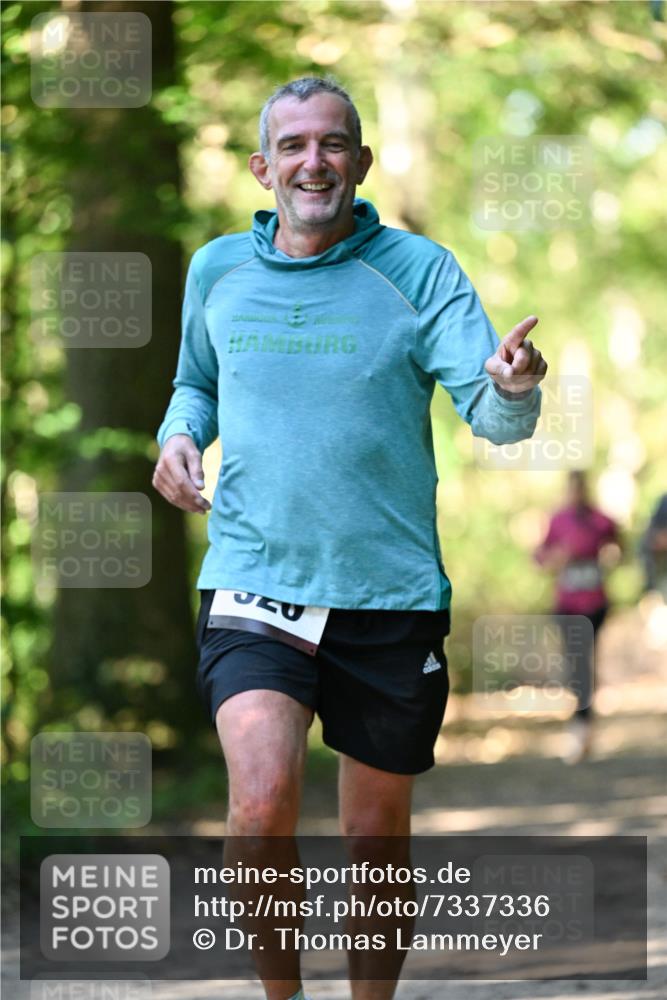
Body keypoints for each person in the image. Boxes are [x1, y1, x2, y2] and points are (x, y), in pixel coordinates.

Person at [153, 76, 547, 1000]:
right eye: (291, 146)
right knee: (256, 808)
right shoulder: (216, 269)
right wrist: (178, 435)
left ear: (360, 163)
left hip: (388, 592)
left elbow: (492, 417)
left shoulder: (418, 271)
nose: (312, 161)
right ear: (262, 167)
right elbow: (195, 382)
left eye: (331, 144)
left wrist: (516, 383)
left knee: (374, 838)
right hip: (254, 580)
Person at [535, 471, 619, 763]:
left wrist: (610, 558)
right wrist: (557, 558)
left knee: (584, 661)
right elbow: (540, 559)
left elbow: (621, 547)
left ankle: (583, 726)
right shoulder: (557, 521)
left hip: (595, 603)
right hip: (567, 605)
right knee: (576, 661)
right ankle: (582, 725)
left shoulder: (601, 520)